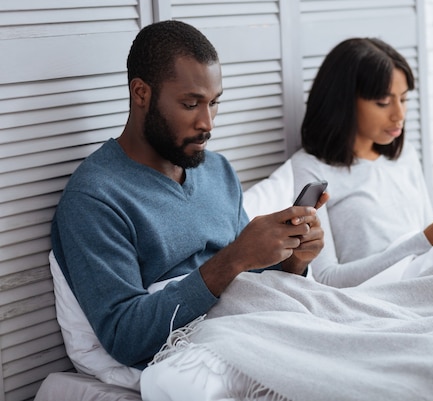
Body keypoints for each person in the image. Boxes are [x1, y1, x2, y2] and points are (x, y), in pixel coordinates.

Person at [50, 20, 327, 370]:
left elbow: (250, 279)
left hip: (261, 325)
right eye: (191, 104)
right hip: (205, 352)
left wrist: (294, 259)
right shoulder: (95, 199)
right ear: (141, 94)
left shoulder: (217, 171)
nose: (207, 123)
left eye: (213, 103)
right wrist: (235, 257)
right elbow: (125, 335)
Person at [291, 38, 433, 288]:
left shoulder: (405, 156)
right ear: (344, 102)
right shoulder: (310, 169)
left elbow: (429, 240)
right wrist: (422, 241)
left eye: (403, 100)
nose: (399, 115)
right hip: (388, 293)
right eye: (383, 102)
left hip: (431, 276)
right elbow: (327, 278)